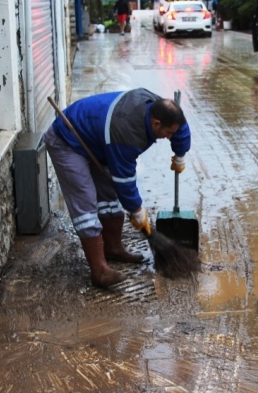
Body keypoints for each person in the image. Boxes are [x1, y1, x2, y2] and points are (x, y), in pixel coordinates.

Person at [43, 88, 191, 288]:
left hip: (100, 142)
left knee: (108, 195)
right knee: (85, 202)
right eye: (167, 133)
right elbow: (124, 180)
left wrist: (180, 153)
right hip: (68, 140)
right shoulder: (127, 131)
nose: (169, 137)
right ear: (156, 124)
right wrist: (137, 210)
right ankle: (99, 271)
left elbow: (179, 127)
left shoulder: (161, 110)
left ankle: (113, 248)